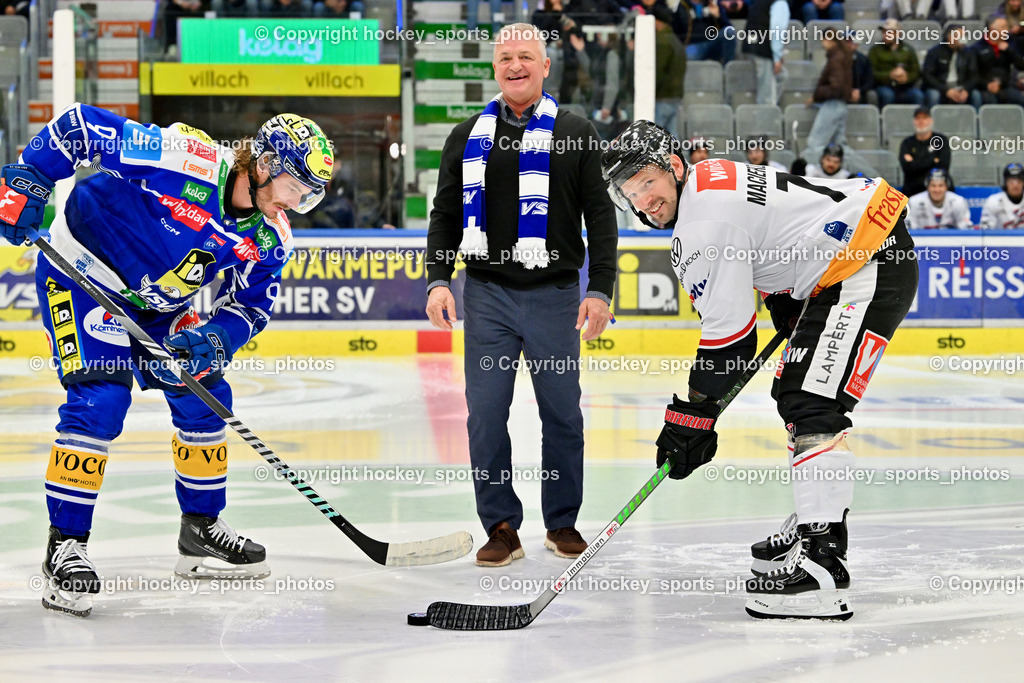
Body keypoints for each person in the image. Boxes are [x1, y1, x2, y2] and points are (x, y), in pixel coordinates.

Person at [0, 106, 333, 616]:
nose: (298, 203)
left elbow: (251, 307)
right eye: (296, 188)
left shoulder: (270, 237)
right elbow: (81, 127)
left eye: (309, 196)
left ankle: (200, 530)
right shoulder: (186, 159)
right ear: (264, 164)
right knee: (101, 398)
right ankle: (64, 547)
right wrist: (32, 177)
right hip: (83, 279)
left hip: (159, 306)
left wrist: (215, 340)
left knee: (206, 394)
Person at [601, 119, 918, 620]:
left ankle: (820, 566)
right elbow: (776, 230)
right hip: (854, 255)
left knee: (812, 403)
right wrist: (788, 300)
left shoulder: (704, 222)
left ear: (674, 168)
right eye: (629, 193)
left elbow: (730, 342)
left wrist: (692, 416)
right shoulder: (709, 180)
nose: (643, 201)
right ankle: (817, 519)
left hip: (864, 263)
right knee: (799, 395)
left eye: (647, 182)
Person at [424, 24, 618, 567]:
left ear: (545, 65)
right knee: (486, 415)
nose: (515, 65)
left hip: (556, 296)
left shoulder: (576, 132)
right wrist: (440, 279)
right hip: (486, 294)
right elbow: (444, 216)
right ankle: (501, 525)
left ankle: (562, 521)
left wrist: (599, 289)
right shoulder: (465, 136)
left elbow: (601, 220)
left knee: (563, 415)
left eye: (526, 56)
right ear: (494, 67)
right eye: (506, 56)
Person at [803, 30, 878, 177]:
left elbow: (836, 87)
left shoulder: (837, 58)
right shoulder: (841, 56)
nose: (822, 43)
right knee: (842, 149)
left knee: (815, 144)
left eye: (823, 39)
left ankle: (803, 180)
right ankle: (875, 178)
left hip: (833, 104)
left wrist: (817, 96)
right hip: (839, 105)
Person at [967, 15, 1024, 106]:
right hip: (984, 87)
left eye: (1007, 27)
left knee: (1020, 100)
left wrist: (1009, 50)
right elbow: (972, 73)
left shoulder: (1010, 44)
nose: (1006, 30)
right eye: (1003, 27)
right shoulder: (977, 48)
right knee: (989, 101)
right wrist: (987, 85)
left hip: (1005, 86)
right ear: (992, 29)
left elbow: (1021, 65)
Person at [741, 0, 789, 106]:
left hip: (751, 46)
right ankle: (765, 117)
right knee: (766, 96)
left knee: (781, 76)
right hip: (762, 49)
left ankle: (768, 107)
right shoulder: (779, 3)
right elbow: (777, 29)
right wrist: (777, 57)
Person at [921, 25, 981, 109]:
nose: (963, 40)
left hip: (960, 86)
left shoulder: (968, 53)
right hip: (940, 87)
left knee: (976, 95)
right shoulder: (935, 52)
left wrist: (966, 89)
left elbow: (974, 76)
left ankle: (976, 121)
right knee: (933, 96)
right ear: (950, 37)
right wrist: (946, 90)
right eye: (961, 37)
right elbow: (928, 76)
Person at [868, 19, 925, 108]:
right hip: (883, 86)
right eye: (884, 32)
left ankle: (917, 120)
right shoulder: (875, 50)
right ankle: (885, 120)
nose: (885, 35)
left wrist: (907, 78)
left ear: (898, 34)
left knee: (918, 95)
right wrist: (890, 76)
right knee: (887, 95)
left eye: (889, 33)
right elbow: (870, 73)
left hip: (904, 87)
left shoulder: (908, 49)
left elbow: (916, 72)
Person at [898, 107, 950, 197]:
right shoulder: (907, 143)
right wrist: (933, 160)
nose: (921, 121)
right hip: (912, 189)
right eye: (918, 118)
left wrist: (915, 163)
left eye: (924, 118)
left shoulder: (940, 140)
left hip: (937, 187)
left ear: (931, 120)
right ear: (913, 121)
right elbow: (907, 168)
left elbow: (944, 165)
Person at [906, 168, 973, 229]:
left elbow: (965, 228)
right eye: (933, 185)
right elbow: (909, 229)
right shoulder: (914, 202)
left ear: (947, 187)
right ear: (927, 187)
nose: (937, 190)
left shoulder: (958, 202)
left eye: (941, 185)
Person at [980, 163, 1024, 228]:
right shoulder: (993, 201)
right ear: (1005, 182)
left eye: (1019, 181)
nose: (1015, 185)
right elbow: (985, 230)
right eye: (1011, 181)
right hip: (999, 238)